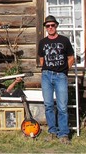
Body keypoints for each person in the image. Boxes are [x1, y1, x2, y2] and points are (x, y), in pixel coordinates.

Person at [38, 15, 74, 144]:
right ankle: (52, 132)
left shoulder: (64, 40)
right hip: (46, 76)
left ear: (56, 26)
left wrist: (65, 70)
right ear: (45, 28)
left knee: (62, 106)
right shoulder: (42, 42)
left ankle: (63, 134)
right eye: (48, 26)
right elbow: (41, 59)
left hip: (60, 76)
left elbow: (71, 57)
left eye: (52, 25)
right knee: (48, 105)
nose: (50, 27)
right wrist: (47, 69)